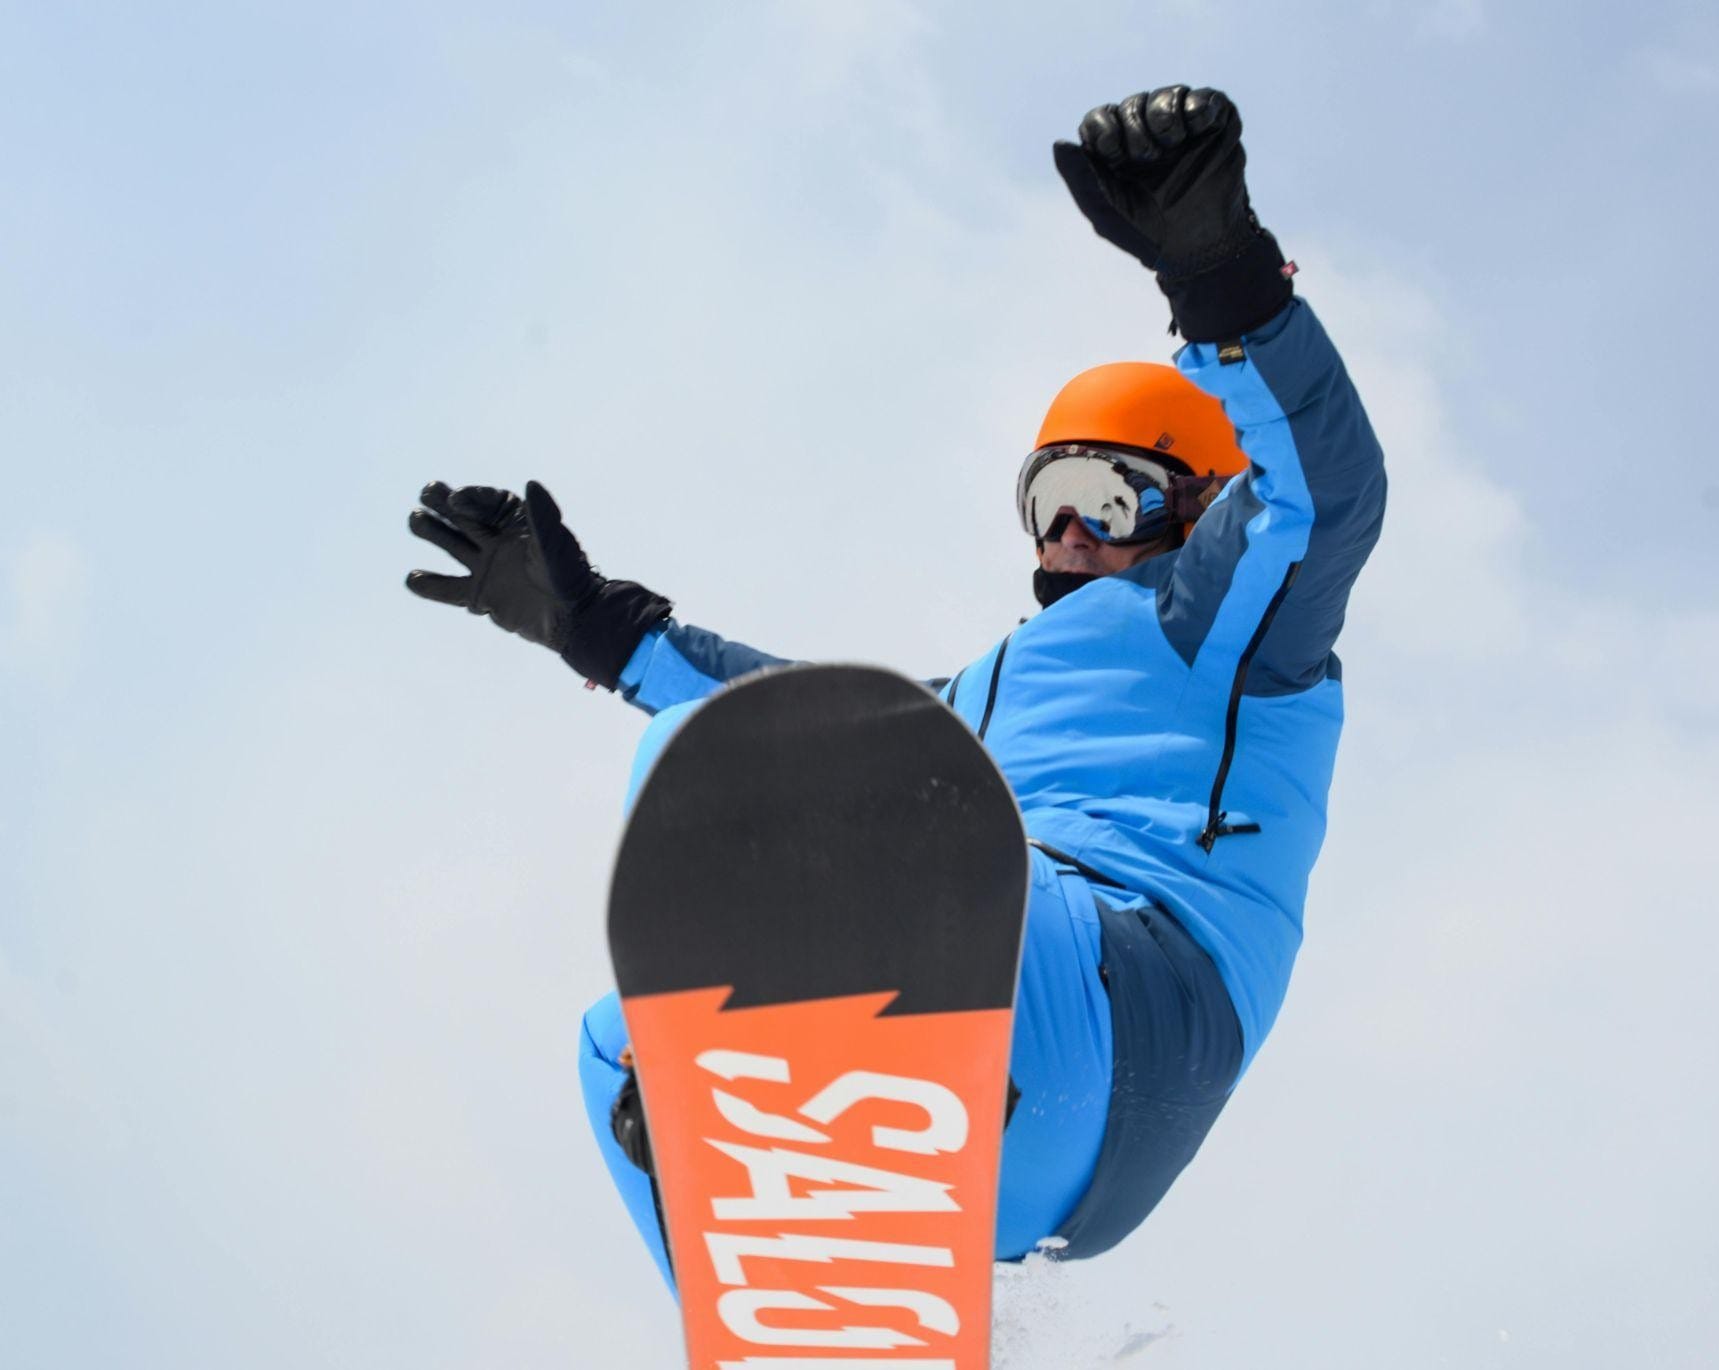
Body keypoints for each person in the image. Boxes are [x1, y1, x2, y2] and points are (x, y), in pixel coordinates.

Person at [406, 85, 1387, 1288]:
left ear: (1195, 505)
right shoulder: (972, 700)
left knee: (758, 783)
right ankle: (801, 1264)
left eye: (1111, 496)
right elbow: (767, 706)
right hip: (1024, 1164)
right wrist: (593, 626)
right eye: (1047, 502)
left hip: (1124, 998)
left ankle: (866, 1077)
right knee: (620, 1044)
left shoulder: (1226, 618)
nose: (1070, 535)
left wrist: (1226, 282)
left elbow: (1320, 495)